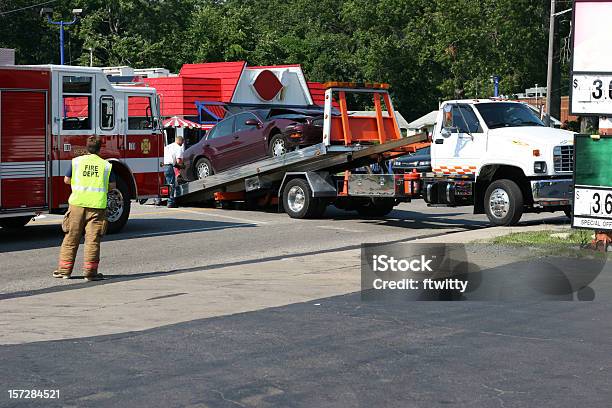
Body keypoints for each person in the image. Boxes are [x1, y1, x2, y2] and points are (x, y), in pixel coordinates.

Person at [53, 136, 115, 281]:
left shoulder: (76, 162)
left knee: (71, 237)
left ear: (87, 147)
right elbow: (112, 186)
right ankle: (90, 273)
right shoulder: (105, 165)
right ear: (100, 148)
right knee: (93, 240)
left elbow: (66, 180)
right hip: (97, 207)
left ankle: (64, 272)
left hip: (77, 205)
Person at [163, 135, 185, 208]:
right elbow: (178, 161)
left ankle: (157, 200)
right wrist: (182, 166)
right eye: (182, 142)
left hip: (161, 165)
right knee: (171, 185)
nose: (182, 144)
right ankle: (170, 202)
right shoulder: (179, 148)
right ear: (181, 141)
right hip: (168, 166)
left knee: (162, 184)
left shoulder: (168, 146)